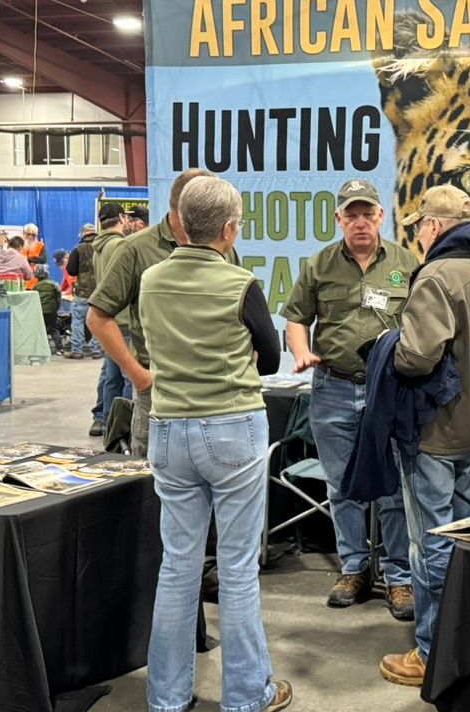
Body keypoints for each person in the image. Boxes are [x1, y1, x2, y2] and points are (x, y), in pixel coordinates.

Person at [138, 175, 292, 712]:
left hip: (169, 429)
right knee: (237, 568)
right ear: (229, 229)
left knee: (177, 567)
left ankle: (166, 697)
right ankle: (249, 694)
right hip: (232, 429)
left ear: (180, 222)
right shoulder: (239, 282)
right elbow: (270, 359)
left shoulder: (152, 279)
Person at [379, 184, 470, 687]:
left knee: (431, 542)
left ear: (435, 227)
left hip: (434, 433)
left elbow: (417, 356)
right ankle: (468, 639)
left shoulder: (436, 276)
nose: (417, 232)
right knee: (469, 534)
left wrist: (386, 348)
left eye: (421, 224)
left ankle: (431, 651)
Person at [281, 178, 418, 620]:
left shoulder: (405, 263)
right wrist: (301, 351)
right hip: (333, 388)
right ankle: (354, 568)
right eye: (351, 214)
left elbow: (422, 322)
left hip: (390, 391)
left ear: (381, 216)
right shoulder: (320, 264)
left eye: (367, 213)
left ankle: (399, 577)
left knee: (394, 488)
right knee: (341, 488)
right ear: (339, 219)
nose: (360, 222)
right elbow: (296, 319)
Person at [88, 168, 235, 460]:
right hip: (159, 396)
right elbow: (98, 317)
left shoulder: (225, 248)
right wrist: (138, 375)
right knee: (153, 487)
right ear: (185, 207)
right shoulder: (136, 249)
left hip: (214, 394)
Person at [91, 202, 134, 436]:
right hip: (124, 318)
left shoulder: (99, 247)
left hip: (107, 318)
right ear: (120, 218)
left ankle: (109, 425)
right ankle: (125, 428)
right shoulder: (119, 245)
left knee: (111, 376)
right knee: (128, 375)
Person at [65, 223, 102, 360]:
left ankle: (77, 350)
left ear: (83, 234)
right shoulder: (102, 247)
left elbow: (71, 270)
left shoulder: (78, 249)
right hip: (99, 292)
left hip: (82, 292)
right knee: (98, 322)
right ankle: (96, 350)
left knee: (78, 321)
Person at [31, 265, 63, 354]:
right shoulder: (54, 284)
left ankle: (44, 349)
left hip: (40, 311)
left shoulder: (35, 287)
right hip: (52, 310)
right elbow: (58, 297)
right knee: (54, 329)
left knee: (42, 330)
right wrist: (56, 308)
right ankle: (59, 349)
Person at [22, 223, 47, 288]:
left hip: (35, 283)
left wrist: (27, 259)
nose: (30, 237)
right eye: (28, 234)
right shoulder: (19, 245)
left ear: (36, 236)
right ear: (24, 233)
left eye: (33, 235)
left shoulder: (40, 245)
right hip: (20, 282)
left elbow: (43, 259)